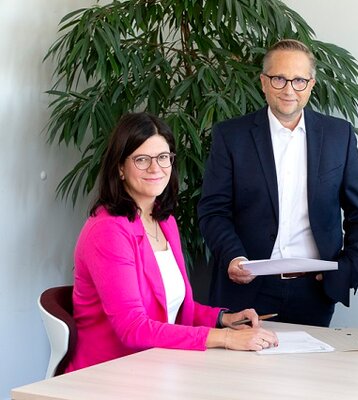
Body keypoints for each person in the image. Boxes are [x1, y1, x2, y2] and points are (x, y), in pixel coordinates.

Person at [66, 113, 278, 372]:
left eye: (163, 157)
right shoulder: (108, 231)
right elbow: (133, 328)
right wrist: (225, 338)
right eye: (142, 159)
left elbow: (172, 307)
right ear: (120, 167)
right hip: (109, 373)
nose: (156, 168)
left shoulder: (163, 222)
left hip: (157, 364)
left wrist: (222, 319)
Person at [197, 39, 358, 327]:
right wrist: (232, 257)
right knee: (242, 373)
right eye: (279, 79)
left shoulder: (338, 135)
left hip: (315, 290)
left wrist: (349, 269)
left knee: (310, 372)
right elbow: (213, 210)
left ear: (312, 84)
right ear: (263, 82)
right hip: (248, 286)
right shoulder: (231, 136)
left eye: (299, 80)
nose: (289, 89)